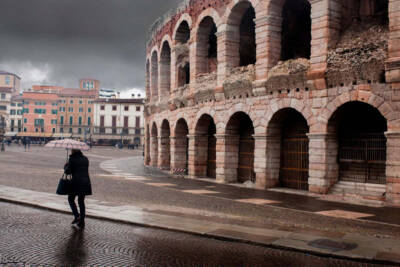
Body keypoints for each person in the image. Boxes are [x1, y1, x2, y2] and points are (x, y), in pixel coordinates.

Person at [64, 149, 92, 230]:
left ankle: (77, 216)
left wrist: (66, 165)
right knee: (81, 201)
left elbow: (68, 172)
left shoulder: (72, 159)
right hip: (86, 182)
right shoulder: (85, 159)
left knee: (70, 198)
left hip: (76, 182)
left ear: (73, 151)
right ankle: (82, 221)